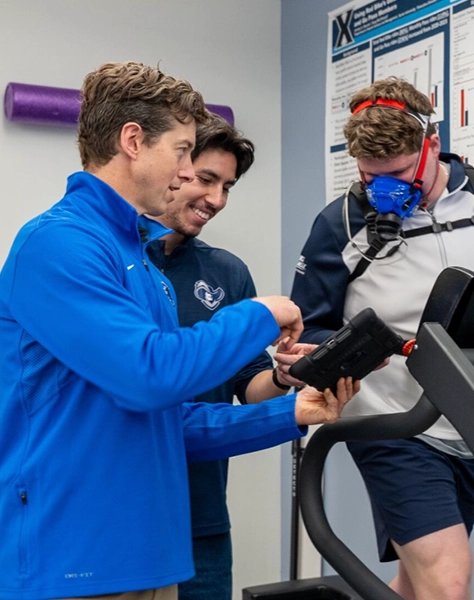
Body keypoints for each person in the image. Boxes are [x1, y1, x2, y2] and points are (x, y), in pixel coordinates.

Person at [0, 61, 357, 600]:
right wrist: (258, 314)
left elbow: (169, 421)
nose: (189, 172)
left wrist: (290, 413)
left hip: (153, 558)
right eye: (185, 152)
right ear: (133, 141)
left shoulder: (142, 264)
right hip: (72, 557)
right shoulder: (59, 244)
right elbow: (151, 375)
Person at [290, 78, 474, 600]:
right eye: (370, 177)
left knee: (417, 583)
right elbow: (309, 325)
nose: (385, 190)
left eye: (401, 173)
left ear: (432, 144)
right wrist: (351, 354)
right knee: (448, 582)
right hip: (389, 422)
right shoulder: (340, 222)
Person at [147, 114, 309, 600]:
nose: (216, 200)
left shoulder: (227, 273)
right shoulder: (114, 265)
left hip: (203, 516)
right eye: (205, 179)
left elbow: (249, 381)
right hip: (127, 511)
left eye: (227, 187)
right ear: (171, 168)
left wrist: (283, 378)